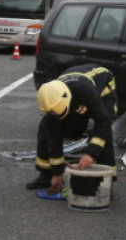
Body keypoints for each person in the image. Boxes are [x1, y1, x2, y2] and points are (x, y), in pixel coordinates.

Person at [26, 64, 117, 192]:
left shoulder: (86, 90)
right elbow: (54, 138)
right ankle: (46, 175)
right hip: (75, 94)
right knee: (45, 129)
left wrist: (91, 153)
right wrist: (57, 173)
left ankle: (106, 184)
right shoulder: (51, 98)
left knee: (105, 133)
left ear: (68, 100)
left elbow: (103, 123)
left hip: (103, 87)